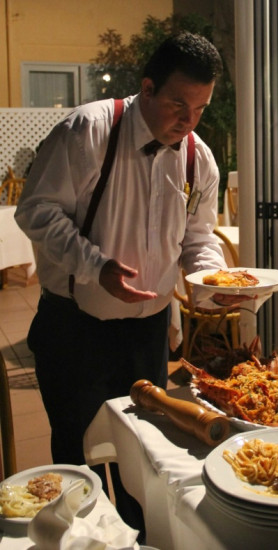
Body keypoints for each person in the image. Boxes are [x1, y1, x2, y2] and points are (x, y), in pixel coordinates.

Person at [15, 31, 229, 535]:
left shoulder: (198, 157)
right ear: (147, 89)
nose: (189, 120)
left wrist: (212, 279)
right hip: (75, 328)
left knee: (144, 452)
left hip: (147, 333)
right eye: (178, 104)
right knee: (78, 454)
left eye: (200, 108)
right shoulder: (87, 131)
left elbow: (198, 237)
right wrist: (96, 265)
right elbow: (36, 210)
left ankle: (143, 539)